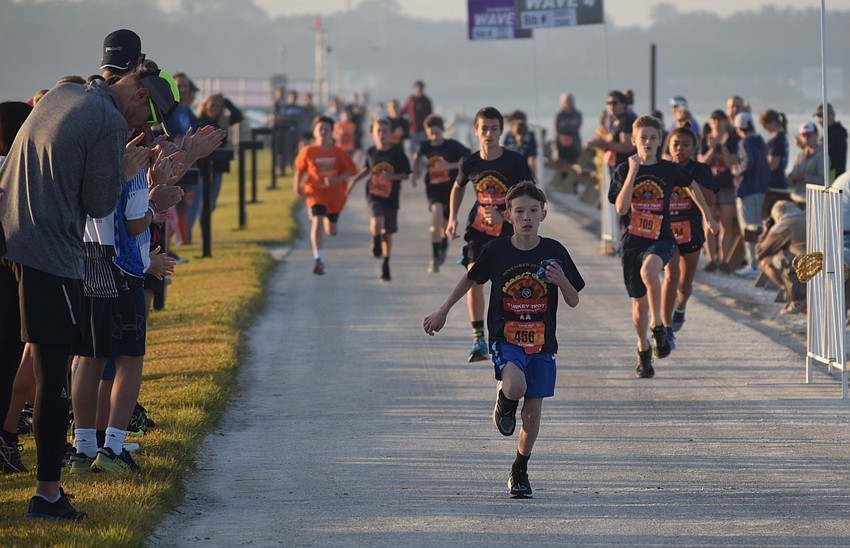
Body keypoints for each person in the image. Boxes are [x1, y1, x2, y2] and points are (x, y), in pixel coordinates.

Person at [0, 66, 180, 521]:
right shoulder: (109, 120)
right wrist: (125, 170)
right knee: (53, 372)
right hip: (50, 251)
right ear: (137, 93)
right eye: (146, 115)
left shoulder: (65, 93)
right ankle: (47, 495)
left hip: (12, 239)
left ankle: (23, 459)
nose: (142, 128)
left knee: (23, 357)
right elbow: (101, 202)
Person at [424, 182, 584, 498]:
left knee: (534, 414)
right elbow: (470, 279)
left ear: (544, 214)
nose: (527, 217)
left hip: (542, 343)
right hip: (506, 337)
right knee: (515, 386)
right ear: (507, 216)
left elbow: (574, 299)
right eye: (520, 211)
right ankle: (505, 400)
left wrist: (561, 280)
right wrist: (443, 311)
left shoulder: (554, 251)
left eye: (533, 211)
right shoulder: (496, 251)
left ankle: (519, 468)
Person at [608, 115, 717, 378]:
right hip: (632, 242)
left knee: (651, 272)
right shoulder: (624, 170)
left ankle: (659, 327)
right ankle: (643, 350)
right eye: (643, 138)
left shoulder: (668, 169)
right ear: (634, 141)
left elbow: (691, 186)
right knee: (638, 306)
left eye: (653, 138)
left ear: (660, 142)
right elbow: (621, 207)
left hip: (662, 238)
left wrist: (707, 216)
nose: (647, 142)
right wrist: (634, 171)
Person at [445, 106, 535, 362]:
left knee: (506, 284)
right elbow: (457, 187)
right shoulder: (470, 162)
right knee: (473, 275)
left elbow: (531, 194)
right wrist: (452, 218)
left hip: (509, 230)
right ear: (476, 131)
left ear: (501, 131)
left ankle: (509, 335)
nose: (489, 134)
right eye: (484, 128)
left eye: (494, 128)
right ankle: (477, 338)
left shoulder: (514, 161)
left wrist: (505, 215)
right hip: (478, 230)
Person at [661, 123, 718, 346]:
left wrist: (688, 182)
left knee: (684, 286)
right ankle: (666, 329)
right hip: (668, 232)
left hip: (692, 232)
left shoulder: (700, 170)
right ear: (669, 147)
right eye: (676, 144)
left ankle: (681, 307)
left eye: (685, 145)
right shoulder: (664, 168)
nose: (680, 149)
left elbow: (711, 199)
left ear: (694, 148)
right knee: (671, 276)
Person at [294, 115, 359, 275]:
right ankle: (318, 259)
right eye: (320, 129)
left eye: (327, 129)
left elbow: (351, 171)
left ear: (332, 133)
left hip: (336, 195)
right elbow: (300, 170)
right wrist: (297, 186)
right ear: (315, 132)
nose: (323, 132)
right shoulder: (308, 151)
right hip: (315, 192)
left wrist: (337, 179)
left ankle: (332, 225)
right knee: (317, 220)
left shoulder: (339, 152)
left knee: (331, 230)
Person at [349, 118, 412, 281]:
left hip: (391, 196)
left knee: (388, 232)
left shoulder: (397, 152)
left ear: (390, 134)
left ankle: (386, 261)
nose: (382, 134)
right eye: (378, 131)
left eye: (385, 131)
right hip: (374, 193)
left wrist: (392, 176)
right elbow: (367, 169)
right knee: (377, 221)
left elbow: (406, 174)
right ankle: (375, 240)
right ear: (373, 134)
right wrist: (354, 180)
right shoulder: (370, 152)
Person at [411, 114, 470, 273]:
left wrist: (449, 165)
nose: (434, 136)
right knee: (436, 215)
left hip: (450, 190)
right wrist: (415, 173)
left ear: (443, 130)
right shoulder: (426, 146)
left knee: (445, 223)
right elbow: (416, 156)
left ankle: (443, 243)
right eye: (430, 133)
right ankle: (435, 256)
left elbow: (468, 158)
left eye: (437, 132)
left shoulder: (452, 146)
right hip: (433, 189)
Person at [699, 109, 739, 274]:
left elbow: (732, 164)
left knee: (726, 224)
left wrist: (722, 148)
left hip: (727, 186)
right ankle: (711, 259)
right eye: (714, 119)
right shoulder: (705, 139)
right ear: (710, 122)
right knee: (708, 223)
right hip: (709, 186)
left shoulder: (733, 139)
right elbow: (702, 163)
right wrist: (712, 149)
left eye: (720, 119)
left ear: (725, 122)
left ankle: (725, 260)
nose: (717, 122)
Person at [732, 111, 770, 279]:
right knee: (756, 226)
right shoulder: (760, 141)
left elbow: (747, 163)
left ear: (739, 128)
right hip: (761, 189)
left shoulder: (745, 142)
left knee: (748, 228)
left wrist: (736, 170)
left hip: (747, 190)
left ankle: (753, 264)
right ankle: (757, 263)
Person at [196, 93, 243, 226]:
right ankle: (203, 225)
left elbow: (238, 115)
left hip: (218, 166)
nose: (214, 108)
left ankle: (204, 222)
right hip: (203, 166)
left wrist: (225, 101)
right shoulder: (199, 120)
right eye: (211, 105)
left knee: (213, 201)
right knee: (204, 199)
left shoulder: (223, 122)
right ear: (205, 106)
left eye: (217, 106)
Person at [755, 200, 807, 312]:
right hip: (818, 258)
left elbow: (760, 252)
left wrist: (765, 232)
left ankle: (792, 294)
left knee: (766, 262)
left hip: (801, 262)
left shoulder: (783, 225)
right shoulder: (807, 217)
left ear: (776, 215)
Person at [587, 90, 637, 177]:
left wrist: (605, 144)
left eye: (614, 103)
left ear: (623, 104)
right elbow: (611, 138)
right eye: (608, 103)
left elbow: (628, 146)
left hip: (626, 169)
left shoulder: (627, 120)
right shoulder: (613, 121)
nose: (611, 106)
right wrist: (598, 142)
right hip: (615, 168)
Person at [788, 122, 825, 201]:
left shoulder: (823, 155)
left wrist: (804, 177)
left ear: (816, 135)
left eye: (809, 135)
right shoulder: (801, 155)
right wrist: (792, 177)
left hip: (815, 200)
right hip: (799, 198)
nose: (806, 138)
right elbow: (793, 173)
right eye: (803, 135)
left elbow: (823, 180)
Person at [814, 102, 848, 179]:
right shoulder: (828, 133)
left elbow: (828, 157)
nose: (821, 119)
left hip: (833, 179)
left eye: (824, 115)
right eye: (819, 116)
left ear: (833, 115)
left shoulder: (837, 134)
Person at [759, 109, 790, 191]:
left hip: (774, 182)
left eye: (765, 125)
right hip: (780, 180)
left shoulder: (776, 141)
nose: (764, 128)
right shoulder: (782, 137)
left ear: (773, 122)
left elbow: (773, 165)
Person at [401, 80, 433, 155]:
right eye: (417, 88)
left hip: (423, 129)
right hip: (413, 128)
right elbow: (403, 110)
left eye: (420, 88)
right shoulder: (411, 100)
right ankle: (414, 165)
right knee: (413, 149)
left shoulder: (426, 101)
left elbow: (430, 115)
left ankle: (422, 165)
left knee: (423, 148)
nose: (419, 90)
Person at [553, 92, 582, 164]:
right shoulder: (558, 115)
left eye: (569, 101)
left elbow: (575, 127)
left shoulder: (577, 114)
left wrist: (564, 124)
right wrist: (569, 124)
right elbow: (558, 129)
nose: (567, 103)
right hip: (561, 147)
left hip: (574, 147)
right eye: (565, 101)